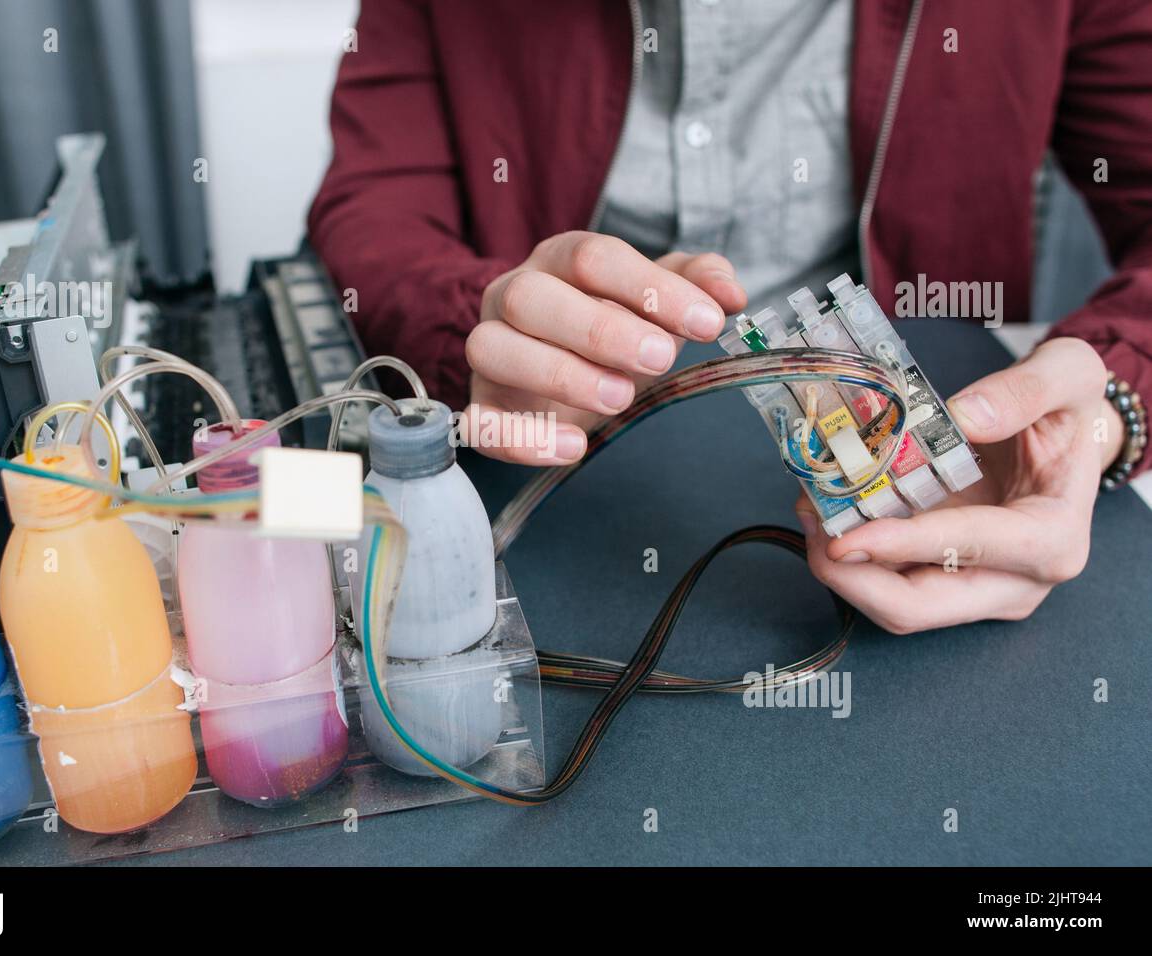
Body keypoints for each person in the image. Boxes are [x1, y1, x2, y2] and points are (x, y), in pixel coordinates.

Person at [307, 0, 1151, 633]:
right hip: (555, 480)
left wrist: (1113, 396)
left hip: (939, 484)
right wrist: (481, 324)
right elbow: (373, 203)